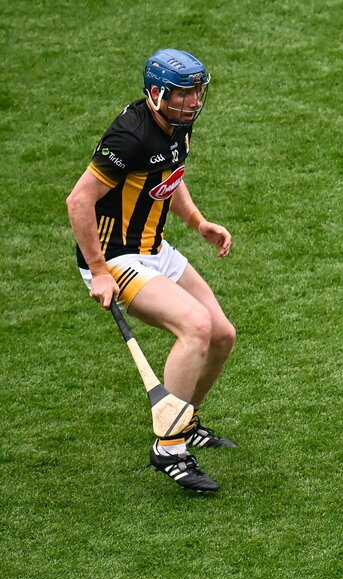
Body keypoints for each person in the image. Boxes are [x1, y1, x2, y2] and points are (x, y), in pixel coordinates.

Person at [66, 49, 237, 492]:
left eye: (198, 92)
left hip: (152, 246)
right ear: (157, 93)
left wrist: (198, 222)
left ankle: (184, 419)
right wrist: (100, 272)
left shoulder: (177, 124)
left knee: (221, 334)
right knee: (195, 326)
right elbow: (78, 201)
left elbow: (168, 179)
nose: (194, 102)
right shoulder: (130, 137)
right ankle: (170, 447)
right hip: (114, 257)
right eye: (184, 94)